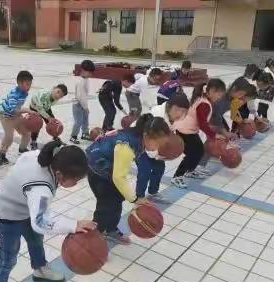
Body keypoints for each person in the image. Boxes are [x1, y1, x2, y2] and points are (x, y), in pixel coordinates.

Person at [0, 141, 97, 282]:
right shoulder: (41, 188)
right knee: (7, 259)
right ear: (59, 174)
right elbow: (40, 222)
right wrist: (74, 225)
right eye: (76, 179)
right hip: (7, 214)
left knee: (36, 241)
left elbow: (21, 161)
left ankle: (40, 270)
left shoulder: (45, 157)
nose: (76, 183)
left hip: (26, 206)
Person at [86, 114, 170, 245]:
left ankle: (111, 229)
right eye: (158, 144)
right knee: (105, 205)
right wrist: (136, 199)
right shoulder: (127, 145)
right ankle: (95, 237)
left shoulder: (137, 137)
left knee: (117, 198)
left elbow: (123, 171)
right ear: (147, 136)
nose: (158, 148)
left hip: (106, 168)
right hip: (97, 171)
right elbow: (118, 177)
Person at [171, 79, 226, 189]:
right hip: (184, 130)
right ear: (210, 91)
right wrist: (213, 135)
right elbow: (202, 124)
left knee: (199, 151)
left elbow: (203, 122)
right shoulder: (204, 103)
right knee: (192, 154)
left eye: (221, 94)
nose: (219, 96)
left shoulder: (202, 98)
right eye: (218, 93)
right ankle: (177, 176)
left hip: (188, 129)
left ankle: (189, 171)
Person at [195, 77, 257, 176]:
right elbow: (216, 119)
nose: (241, 97)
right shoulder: (222, 100)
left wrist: (228, 130)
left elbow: (232, 112)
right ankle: (198, 165)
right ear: (234, 89)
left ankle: (211, 155)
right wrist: (224, 132)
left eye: (243, 96)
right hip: (208, 119)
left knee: (221, 135)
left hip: (213, 117)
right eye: (241, 94)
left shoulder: (232, 98)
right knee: (212, 141)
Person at [136, 95, 190, 203]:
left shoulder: (172, 117)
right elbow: (148, 139)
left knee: (159, 169)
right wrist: (157, 154)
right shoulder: (156, 115)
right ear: (169, 107)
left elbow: (168, 135)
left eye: (183, 111)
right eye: (177, 110)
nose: (180, 114)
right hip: (140, 143)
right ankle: (139, 197)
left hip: (155, 144)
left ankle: (153, 193)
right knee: (144, 171)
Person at [0, 71, 35, 166]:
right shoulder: (14, 95)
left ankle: (22, 149)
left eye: (30, 84)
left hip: (16, 114)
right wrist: (27, 110)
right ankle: (1, 154)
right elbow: (12, 110)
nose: (29, 86)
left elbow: (17, 109)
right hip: (6, 115)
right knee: (9, 137)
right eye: (27, 84)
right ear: (20, 83)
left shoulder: (24, 92)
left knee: (26, 133)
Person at [29, 84, 68, 150]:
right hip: (35, 108)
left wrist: (50, 118)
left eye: (61, 96)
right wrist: (48, 117)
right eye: (58, 92)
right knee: (36, 124)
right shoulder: (44, 95)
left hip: (45, 107)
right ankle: (33, 141)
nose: (58, 96)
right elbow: (40, 109)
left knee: (54, 123)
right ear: (54, 88)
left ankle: (56, 138)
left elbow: (46, 107)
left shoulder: (55, 97)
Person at [70, 60, 95, 144]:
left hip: (83, 103)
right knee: (79, 121)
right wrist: (85, 108)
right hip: (78, 105)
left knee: (85, 120)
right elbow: (80, 97)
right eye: (89, 72)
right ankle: (73, 136)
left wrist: (85, 107)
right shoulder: (80, 81)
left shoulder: (86, 79)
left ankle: (85, 133)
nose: (91, 74)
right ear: (84, 71)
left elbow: (84, 95)